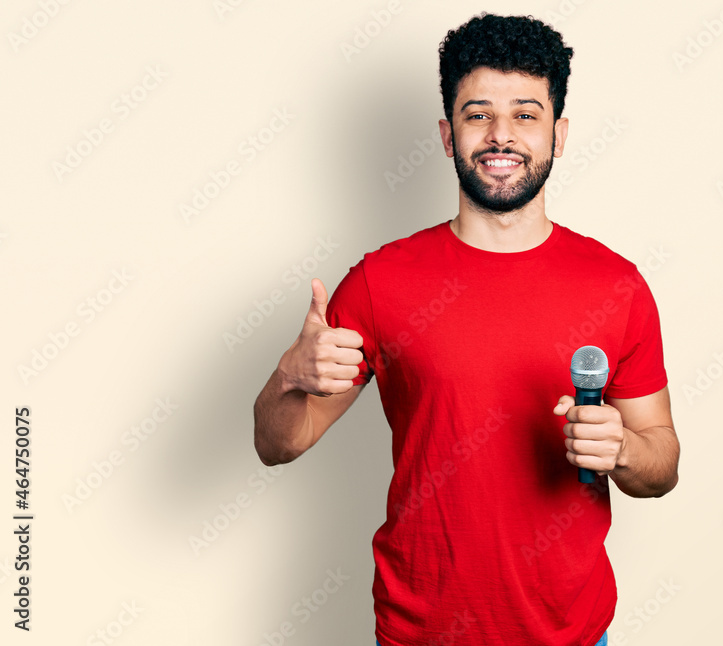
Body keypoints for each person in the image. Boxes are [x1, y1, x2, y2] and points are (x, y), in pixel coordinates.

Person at [253, 12, 680, 646]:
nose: (501, 135)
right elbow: (279, 443)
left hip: (571, 635)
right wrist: (289, 375)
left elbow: (662, 463)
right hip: (418, 634)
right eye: (478, 114)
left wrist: (623, 450)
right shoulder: (380, 282)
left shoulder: (616, 286)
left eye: (526, 115)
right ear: (449, 136)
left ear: (559, 135)